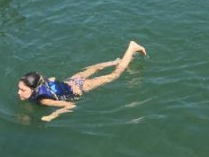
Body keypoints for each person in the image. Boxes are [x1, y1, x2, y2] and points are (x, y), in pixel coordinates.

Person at [17, 40, 147, 122]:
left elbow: (70, 105)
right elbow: (52, 79)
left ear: (34, 89)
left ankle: (131, 48)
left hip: (80, 87)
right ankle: (115, 61)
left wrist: (53, 115)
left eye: (23, 90)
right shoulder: (41, 82)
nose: (19, 92)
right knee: (94, 68)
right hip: (72, 80)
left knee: (114, 75)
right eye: (19, 89)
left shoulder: (43, 99)